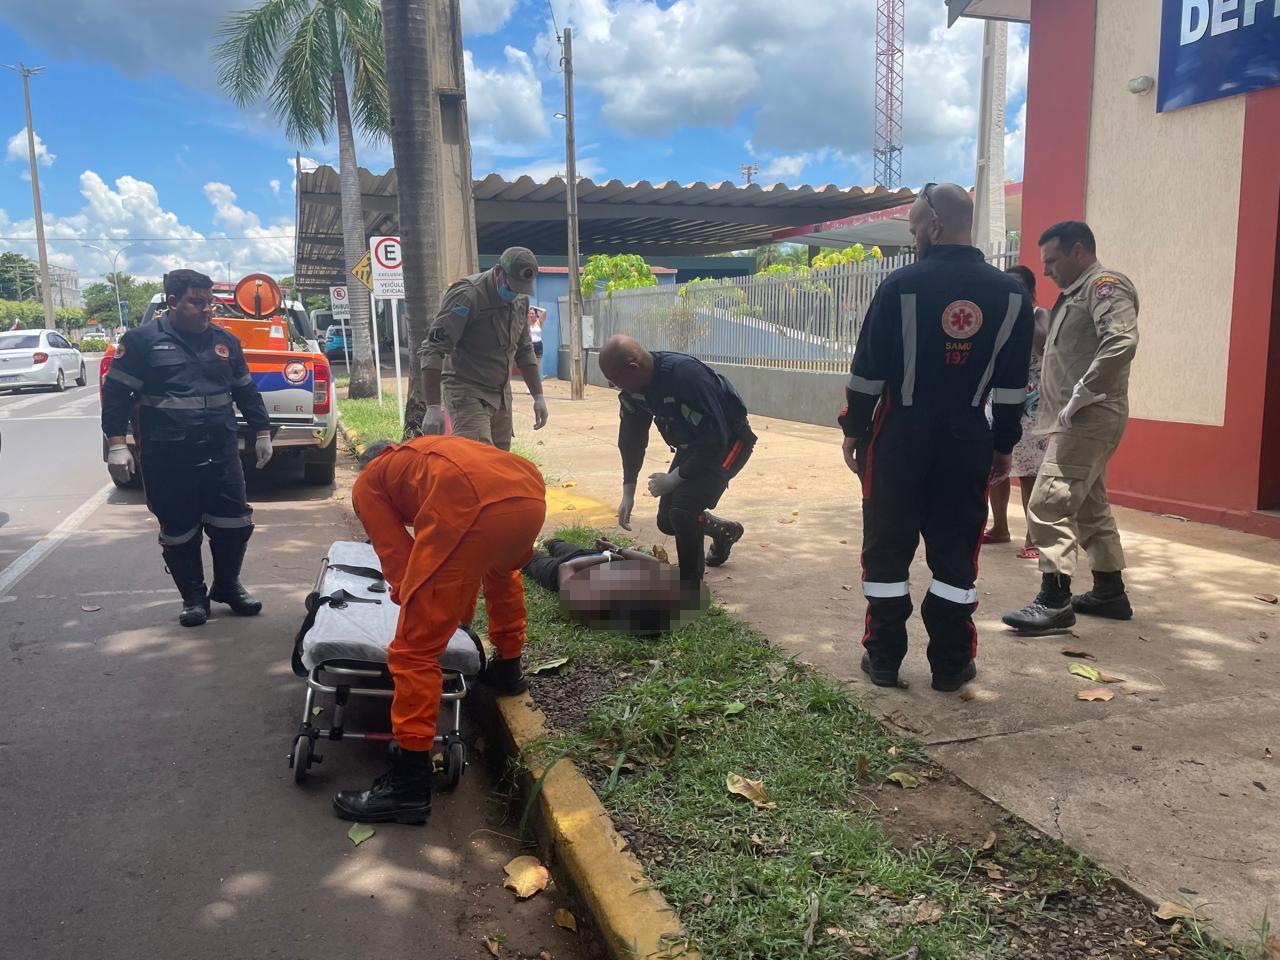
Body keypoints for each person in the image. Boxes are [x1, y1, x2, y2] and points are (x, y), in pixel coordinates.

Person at [840, 183, 1034, 692]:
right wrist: (1003, 443)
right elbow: (1014, 386)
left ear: (934, 224)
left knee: (886, 548)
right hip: (968, 434)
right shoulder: (1013, 295)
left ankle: (883, 658)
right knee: (955, 555)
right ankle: (950, 665)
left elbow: (866, 373)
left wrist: (856, 430)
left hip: (900, 434)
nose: (913, 237)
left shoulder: (900, 286)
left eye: (913, 228)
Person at [334, 436, 547, 825]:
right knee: (502, 573)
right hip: (529, 493)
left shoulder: (369, 481)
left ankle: (409, 784)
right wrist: (453, 612)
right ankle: (508, 667)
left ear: (369, 462)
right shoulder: (427, 454)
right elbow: (463, 557)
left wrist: (421, 613)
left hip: (470, 502)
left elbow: (400, 560)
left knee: (413, 651)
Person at [100, 269, 273, 628]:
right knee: (179, 529)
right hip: (168, 456)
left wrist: (261, 432)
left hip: (221, 450)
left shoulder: (225, 341)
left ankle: (227, 586)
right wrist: (117, 445)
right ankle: (194, 597)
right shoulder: (142, 342)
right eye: (197, 302)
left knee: (235, 522)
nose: (207, 309)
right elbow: (116, 396)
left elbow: (245, 389)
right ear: (173, 302)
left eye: (210, 302)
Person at [1003, 221, 1139, 632]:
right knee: (1089, 506)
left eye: (1051, 260)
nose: (1045, 272)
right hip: (1075, 415)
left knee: (1047, 502)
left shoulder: (1105, 286)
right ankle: (1109, 590)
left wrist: (1084, 390)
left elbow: (1121, 341)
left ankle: (1055, 599)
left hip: (1088, 414)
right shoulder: (1076, 294)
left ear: (1078, 251)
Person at [598, 335, 756, 591]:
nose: (615, 387)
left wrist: (673, 479)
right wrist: (628, 490)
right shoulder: (634, 391)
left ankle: (690, 589)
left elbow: (716, 438)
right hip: (695, 447)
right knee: (667, 521)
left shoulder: (686, 377)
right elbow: (631, 439)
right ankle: (723, 531)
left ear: (633, 369)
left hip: (730, 443)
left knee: (684, 508)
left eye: (615, 381)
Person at [418, 247, 549, 448]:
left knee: (499, 464)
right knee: (477, 462)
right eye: (512, 287)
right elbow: (433, 348)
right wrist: (433, 407)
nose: (514, 294)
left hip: (501, 396)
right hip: (467, 392)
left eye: (520, 290)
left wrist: (538, 396)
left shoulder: (520, 300)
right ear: (498, 272)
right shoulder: (467, 295)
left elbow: (524, 350)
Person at [983, 265, 1052, 558]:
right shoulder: (997, 317)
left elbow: (1043, 342)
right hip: (997, 402)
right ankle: (999, 527)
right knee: (996, 470)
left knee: (1029, 473)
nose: (1014, 291)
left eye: (1021, 286)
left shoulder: (1039, 315)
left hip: (1031, 406)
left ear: (1032, 291)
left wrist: (1023, 311)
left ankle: (1034, 536)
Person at [523, 537, 689, 635]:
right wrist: (617, 550)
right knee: (560, 545)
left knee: (530, 560)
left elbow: (566, 568)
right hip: (589, 554)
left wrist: (607, 558)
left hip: (560, 568)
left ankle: (534, 546)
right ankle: (551, 541)